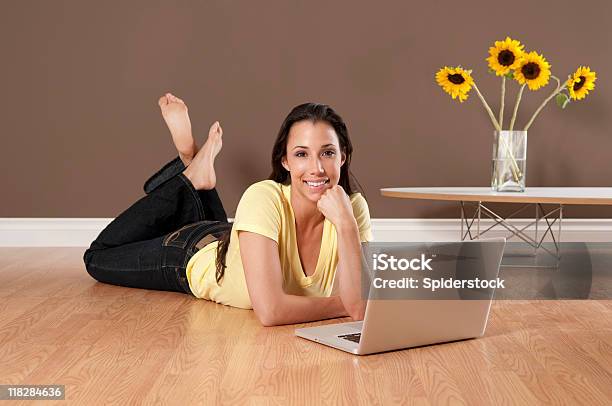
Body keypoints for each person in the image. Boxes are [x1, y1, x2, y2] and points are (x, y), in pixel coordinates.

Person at [83, 93, 373, 326]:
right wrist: (345, 304)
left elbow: (359, 302)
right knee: (97, 257)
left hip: (234, 240)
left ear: (343, 157)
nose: (317, 168)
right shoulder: (263, 197)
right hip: (190, 254)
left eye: (328, 152)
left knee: (228, 236)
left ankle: (194, 164)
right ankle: (191, 175)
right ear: (284, 161)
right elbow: (271, 311)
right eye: (301, 154)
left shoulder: (353, 208)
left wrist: (346, 225)